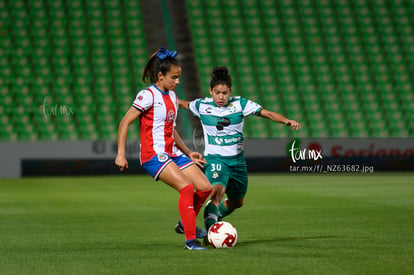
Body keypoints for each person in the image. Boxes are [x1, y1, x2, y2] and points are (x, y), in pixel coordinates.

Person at [178, 66, 300, 240]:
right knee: (217, 192)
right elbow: (181, 103)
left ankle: (214, 217)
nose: (221, 97)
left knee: (237, 202)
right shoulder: (201, 105)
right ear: (210, 91)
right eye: (217, 93)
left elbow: (267, 113)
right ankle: (212, 233)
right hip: (215, 159)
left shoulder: (241, 104)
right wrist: (159, 100)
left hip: (238, 162)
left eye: (224, 93)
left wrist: (286, 120)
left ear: (230, 91)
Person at [115, 48, 212, 250]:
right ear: (161, 76)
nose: (177, 81)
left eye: (179, 77)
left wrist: (189, 152)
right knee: (186, 188)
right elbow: (125, 122)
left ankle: (184, 223)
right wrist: (121, 154)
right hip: (153, 155)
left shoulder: (172, 97)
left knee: (204, 187)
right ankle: (190, 240)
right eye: (174, 77)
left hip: (173, 153)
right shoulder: (147, 95)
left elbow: (171, 130)